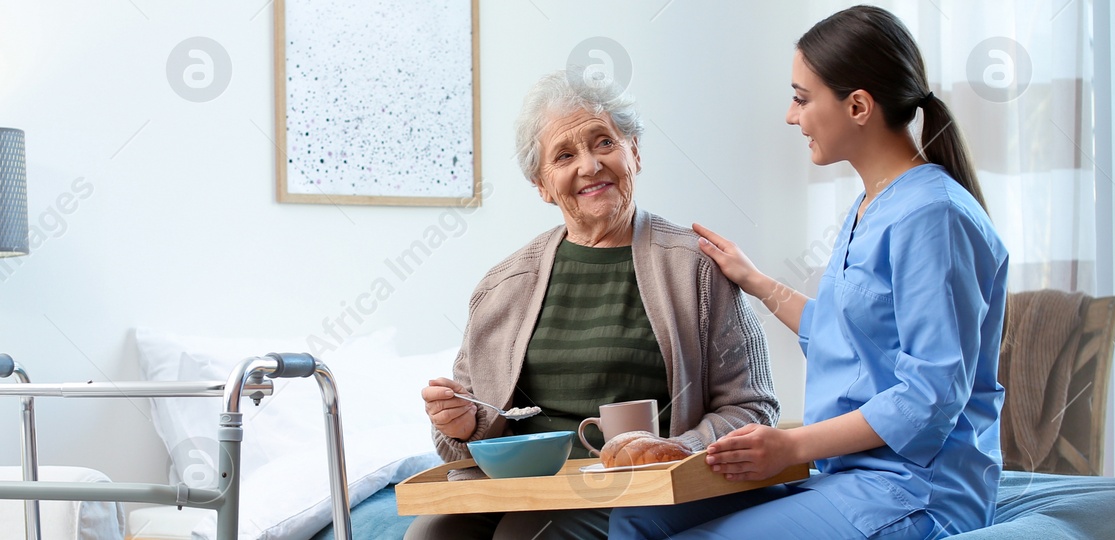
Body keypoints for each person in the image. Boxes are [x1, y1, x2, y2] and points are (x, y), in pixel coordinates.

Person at [609, 5, 1009, 539]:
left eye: (801, 98)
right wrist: (754, 280)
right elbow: (843, 337)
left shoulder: (932, 216)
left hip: (914, 490)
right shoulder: (870, 206)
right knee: (637, 515)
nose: (790, 116)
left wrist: (790, 445)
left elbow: (930, 395)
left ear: (859, 105)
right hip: (844, 476)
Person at [408, 66, 780, 540]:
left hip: (641, 490)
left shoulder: (695, 267)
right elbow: (460, 442)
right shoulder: (502, 286)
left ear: (635, 153)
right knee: (432, 535)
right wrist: (461, 424)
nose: (589, 165)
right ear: (542, 185)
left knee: (524, 536)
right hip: (522, 488)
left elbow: (753, 406)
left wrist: (676, 449)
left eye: (604, 142)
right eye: (564, 155)